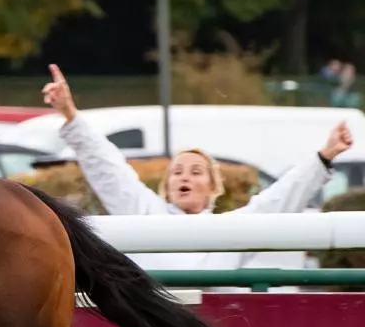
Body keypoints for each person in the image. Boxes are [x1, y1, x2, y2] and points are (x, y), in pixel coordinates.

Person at [41, 64, 355, 271]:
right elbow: (108, 167)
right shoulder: (145, 213)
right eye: (177, 172)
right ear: (167, 188)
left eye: (195, 171)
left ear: (212, 188)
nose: (184, 177)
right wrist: (69, 113)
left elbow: (279, 199)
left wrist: (323, 157)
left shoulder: (230, 231)